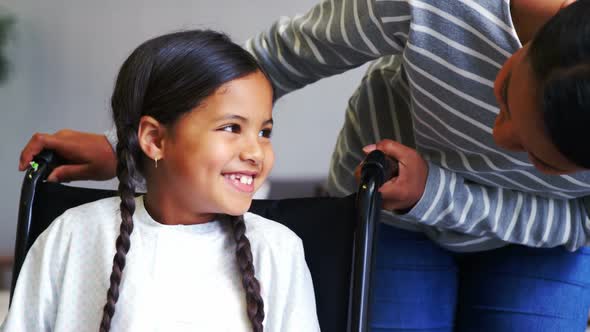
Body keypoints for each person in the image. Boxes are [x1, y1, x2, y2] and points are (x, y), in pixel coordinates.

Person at [15, 0, 590, 330]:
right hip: (389, 218)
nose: (496, 133)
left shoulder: (276, 253)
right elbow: (257, 71)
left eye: (536, 156)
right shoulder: (437, 6)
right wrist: (133, 155)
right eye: (507, 96)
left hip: (546, 240)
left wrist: (438, 193)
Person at [4, 30, 320, 332]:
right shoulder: (73, 235)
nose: (256, 152)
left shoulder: (278, 250)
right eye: (231, 128)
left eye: (264, 132)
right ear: (155, 139)